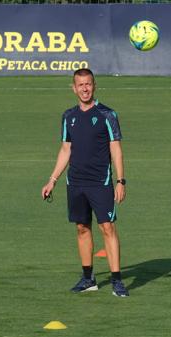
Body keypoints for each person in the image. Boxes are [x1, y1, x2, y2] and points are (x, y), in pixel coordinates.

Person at [41, 68, 129, 297]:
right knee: (81, 228)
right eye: (80, 85)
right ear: (74, 88)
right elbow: (65, 150)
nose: (85, 89)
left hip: (101, 181)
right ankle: (88, 278)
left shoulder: (107, 114)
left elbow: (116, 149)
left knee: (107, 227)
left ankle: (117, 280)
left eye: (88, 84)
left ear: (94, 85)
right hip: (76, 182)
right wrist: (52, 180)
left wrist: (120, 181)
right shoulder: (68, 116)